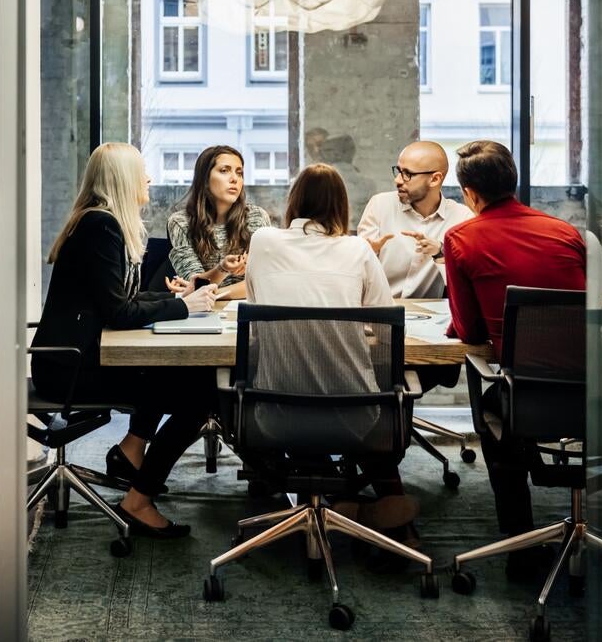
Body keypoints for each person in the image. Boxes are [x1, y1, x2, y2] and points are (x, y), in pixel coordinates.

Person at [31, 142, 219, 539]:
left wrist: (177, 299)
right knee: (200, 394)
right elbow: (119, 312)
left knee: (183, 381)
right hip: (70, 369)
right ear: (121, 179)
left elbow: (120, 301)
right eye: (141, 172)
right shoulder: (101, 227)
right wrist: (184, 308)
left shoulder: (98, 222)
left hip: (75, 358)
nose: (148, 178)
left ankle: (132, 457)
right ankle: (138, 499)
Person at [245, 165, 415, 550]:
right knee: (355, 391)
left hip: (274, 413)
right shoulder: (356, 248)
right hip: (355, 413)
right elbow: (386, 322)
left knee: (239, 383)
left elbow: (257, 308)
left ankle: (322, 501)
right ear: (341, 206)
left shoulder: (263, 241)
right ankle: (370, 508)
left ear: (294, 202)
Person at [443, 140, 586, 576]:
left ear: (469, 193)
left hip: (527, 398)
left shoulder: (462, 237)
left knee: (487, 405)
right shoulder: (566, 232)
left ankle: (520, 540)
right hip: (593, 393)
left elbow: (470, 333)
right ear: (514, 181)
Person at [357, 140, 473, 299]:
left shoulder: (462, 218)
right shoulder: (379, 205)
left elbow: (464, 286)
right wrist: (366, 253)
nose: (397, 180)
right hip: (381, 311)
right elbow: (357, 276)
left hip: (431, 316)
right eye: (398, 171)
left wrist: (441, 252)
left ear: (435, 179)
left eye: (407, 174)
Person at [166, 145, 271, 301]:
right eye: (224, 171)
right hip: (202, 312)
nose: (235, 179)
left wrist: (211, 292)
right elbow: (196, 283)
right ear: (205, 178)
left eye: (239, 172)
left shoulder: (257, 218)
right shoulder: (181, 222)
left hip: (245, 311)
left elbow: (263, 281)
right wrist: (222, 269)